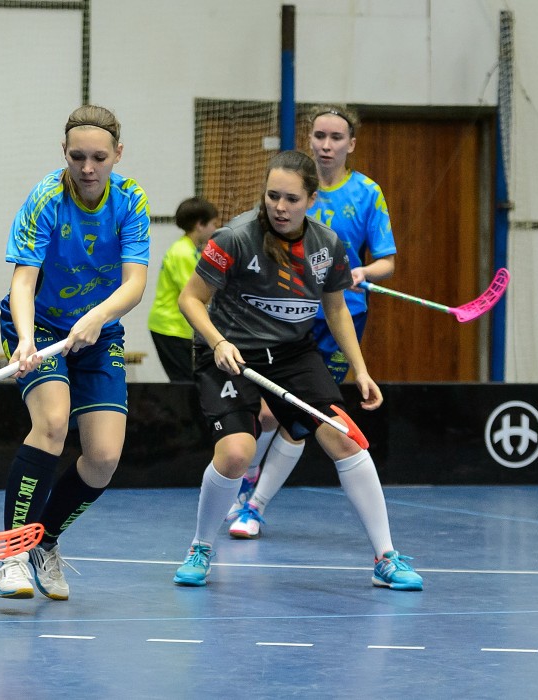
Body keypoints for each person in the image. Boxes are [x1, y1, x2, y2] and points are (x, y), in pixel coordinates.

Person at [171, 150, 421, 591]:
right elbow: (190, 299)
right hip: (231, 354)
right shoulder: (234, 238)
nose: (279, 207)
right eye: (272, 197)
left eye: (290, 199)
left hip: (293, 355)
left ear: (311, 199)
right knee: (234, 455)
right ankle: (201, 547)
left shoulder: (328, 246)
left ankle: (386, 556)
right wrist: (219, 342)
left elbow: (337, 309)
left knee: (344, 438)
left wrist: (361, 370)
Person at [0, 105, 150, 601]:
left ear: (117, 155)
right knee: (53, 423)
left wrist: (98, 317)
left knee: (103, 458)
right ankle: (13, 553)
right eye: (77, 156)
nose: (87, 168)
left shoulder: (130, 200)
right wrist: (24, 339)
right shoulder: (45, 199)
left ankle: (46, 540)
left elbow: (135, 284)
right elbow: (23, 279)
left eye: (99, 157)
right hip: (39, 327)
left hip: (98, 333)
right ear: (64, 152)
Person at [227, 105, 397, 539]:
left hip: (338, 320)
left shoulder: (367, 193)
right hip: (281, 321)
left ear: (351, 144)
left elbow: (386, 262)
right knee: (267, 414)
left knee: (301, 420)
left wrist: (361, 272)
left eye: (336, 137)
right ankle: (244, 479)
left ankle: (255, 507)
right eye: (319, 135)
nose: (326, 144)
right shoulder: (286, 188)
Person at [148, 197, 221, 382]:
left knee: (190, 381)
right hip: (169, 328)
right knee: (185, 383)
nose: (215, 229)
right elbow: (196, 294)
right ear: (200, 225)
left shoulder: (191, 249)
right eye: (213, 224)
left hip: (179, 329)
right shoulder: (183, 253)